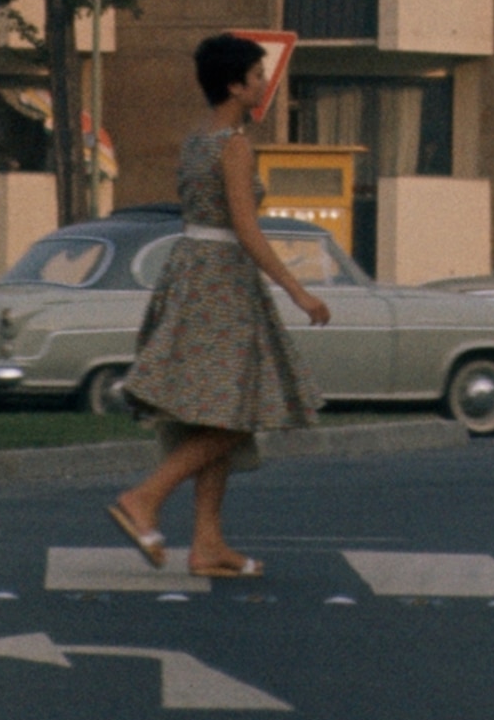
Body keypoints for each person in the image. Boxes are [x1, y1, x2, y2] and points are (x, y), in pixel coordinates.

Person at [106, 33, 331, 579]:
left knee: (212, 413)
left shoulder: (196, 139)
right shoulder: (233, 144)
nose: (262, 86)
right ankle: (144, 498)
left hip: (190, 273)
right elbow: (245, 227)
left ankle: (208, 544)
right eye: (256, 77)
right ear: (235, 85)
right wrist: (297, 289)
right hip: (222, 283)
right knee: (239, 412)